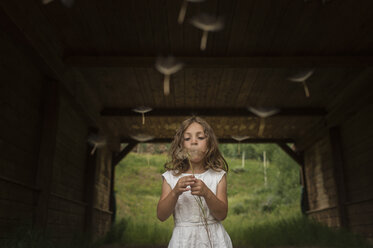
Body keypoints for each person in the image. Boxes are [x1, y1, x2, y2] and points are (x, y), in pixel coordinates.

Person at [157, 116, 233, 248]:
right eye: (187, 138)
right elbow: (161, 215)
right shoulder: (171, 177)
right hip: (183, 241)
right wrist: (175, 192)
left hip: (215, 241)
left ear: (209, 143)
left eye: (200, 137)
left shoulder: (218, 176)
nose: (193, 142)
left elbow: (222, 214)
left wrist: (207, 193)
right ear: (181, 145)